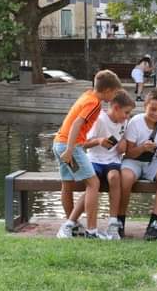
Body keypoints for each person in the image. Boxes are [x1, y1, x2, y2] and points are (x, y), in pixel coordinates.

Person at [53, 69, 122, 239]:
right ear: (107, 90)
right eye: (114, 92)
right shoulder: (95, 103)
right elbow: (77, 124)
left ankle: (71, 226)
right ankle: (92, 231)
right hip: (70, 146)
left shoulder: (87, 95)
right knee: (93, 183)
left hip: (59, 143)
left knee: (67, 185)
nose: (114, 96)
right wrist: (70, 149)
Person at [119, 90, 157, 240]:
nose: (156, 114)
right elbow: (128, 153)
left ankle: (153, 225)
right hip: (133, 161)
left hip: (153, 162)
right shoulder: (135, 122)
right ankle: (119, 222)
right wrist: (143, 148)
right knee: (126, 177)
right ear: (145, 106)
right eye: (153, 109)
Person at [81, 91, 134, 239]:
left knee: (114, 177)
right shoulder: (99, 120)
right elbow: (84, 143)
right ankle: (90, 227)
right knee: (93, 184)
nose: (127, 116)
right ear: (116, 108)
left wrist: (123, 144)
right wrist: (99, 141)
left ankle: (113, 223)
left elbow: (122, 139)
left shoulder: (124, 122)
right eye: (126, 112)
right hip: (95, 159)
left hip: (112, 160)